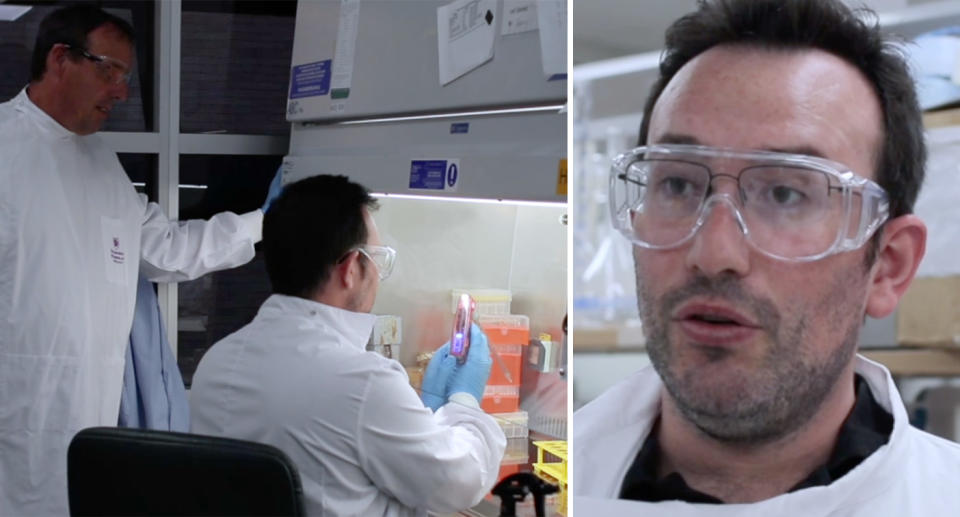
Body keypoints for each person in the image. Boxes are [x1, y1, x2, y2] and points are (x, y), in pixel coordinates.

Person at [573, 0, 960, 515]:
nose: (713, 253)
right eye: (679, 183)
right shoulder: (556, 481)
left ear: (888, 266)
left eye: (785, 194)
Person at [0, 5, 277, 514]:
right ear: (61, 58)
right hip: (12, 426)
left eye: (125, 76)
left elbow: (167, 250)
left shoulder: (101, 163)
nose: (122, 92)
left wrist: (264, 220)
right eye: (109, 70)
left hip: (89, 423)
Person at [190, 175, 507, 516]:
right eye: (377, 259)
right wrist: (464, 401)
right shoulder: (363, 382)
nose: (377, 274)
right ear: (351, 268)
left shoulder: (217, 362)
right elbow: (460, 483)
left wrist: (427, 411)